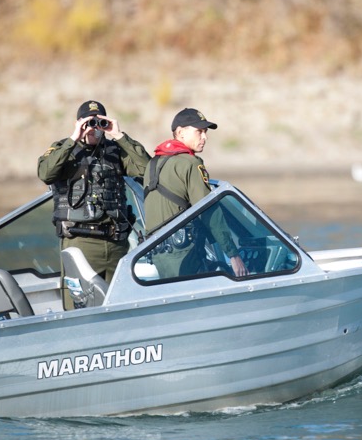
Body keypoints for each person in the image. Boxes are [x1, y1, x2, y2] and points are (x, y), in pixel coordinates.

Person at [38, 100, 151, 302]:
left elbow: (147, 170)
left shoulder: (116, 150)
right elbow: (46, 173)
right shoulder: (63, 149)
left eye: (99, 123)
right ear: (78, 123)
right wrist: (74, 138)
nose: (93, 129)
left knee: (120, 302)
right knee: (81, 304)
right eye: (88, 123)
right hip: (81, 242)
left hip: (117, 242)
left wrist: (120, 136)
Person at [143, 108, 247, 279]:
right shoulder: (190, 163)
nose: (205, 137)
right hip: (185, 255)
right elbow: (208, 210)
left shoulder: (153, 164)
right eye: (199, 131)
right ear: (181, 132)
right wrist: (233, 254)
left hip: (158, 254)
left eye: (205, 132)